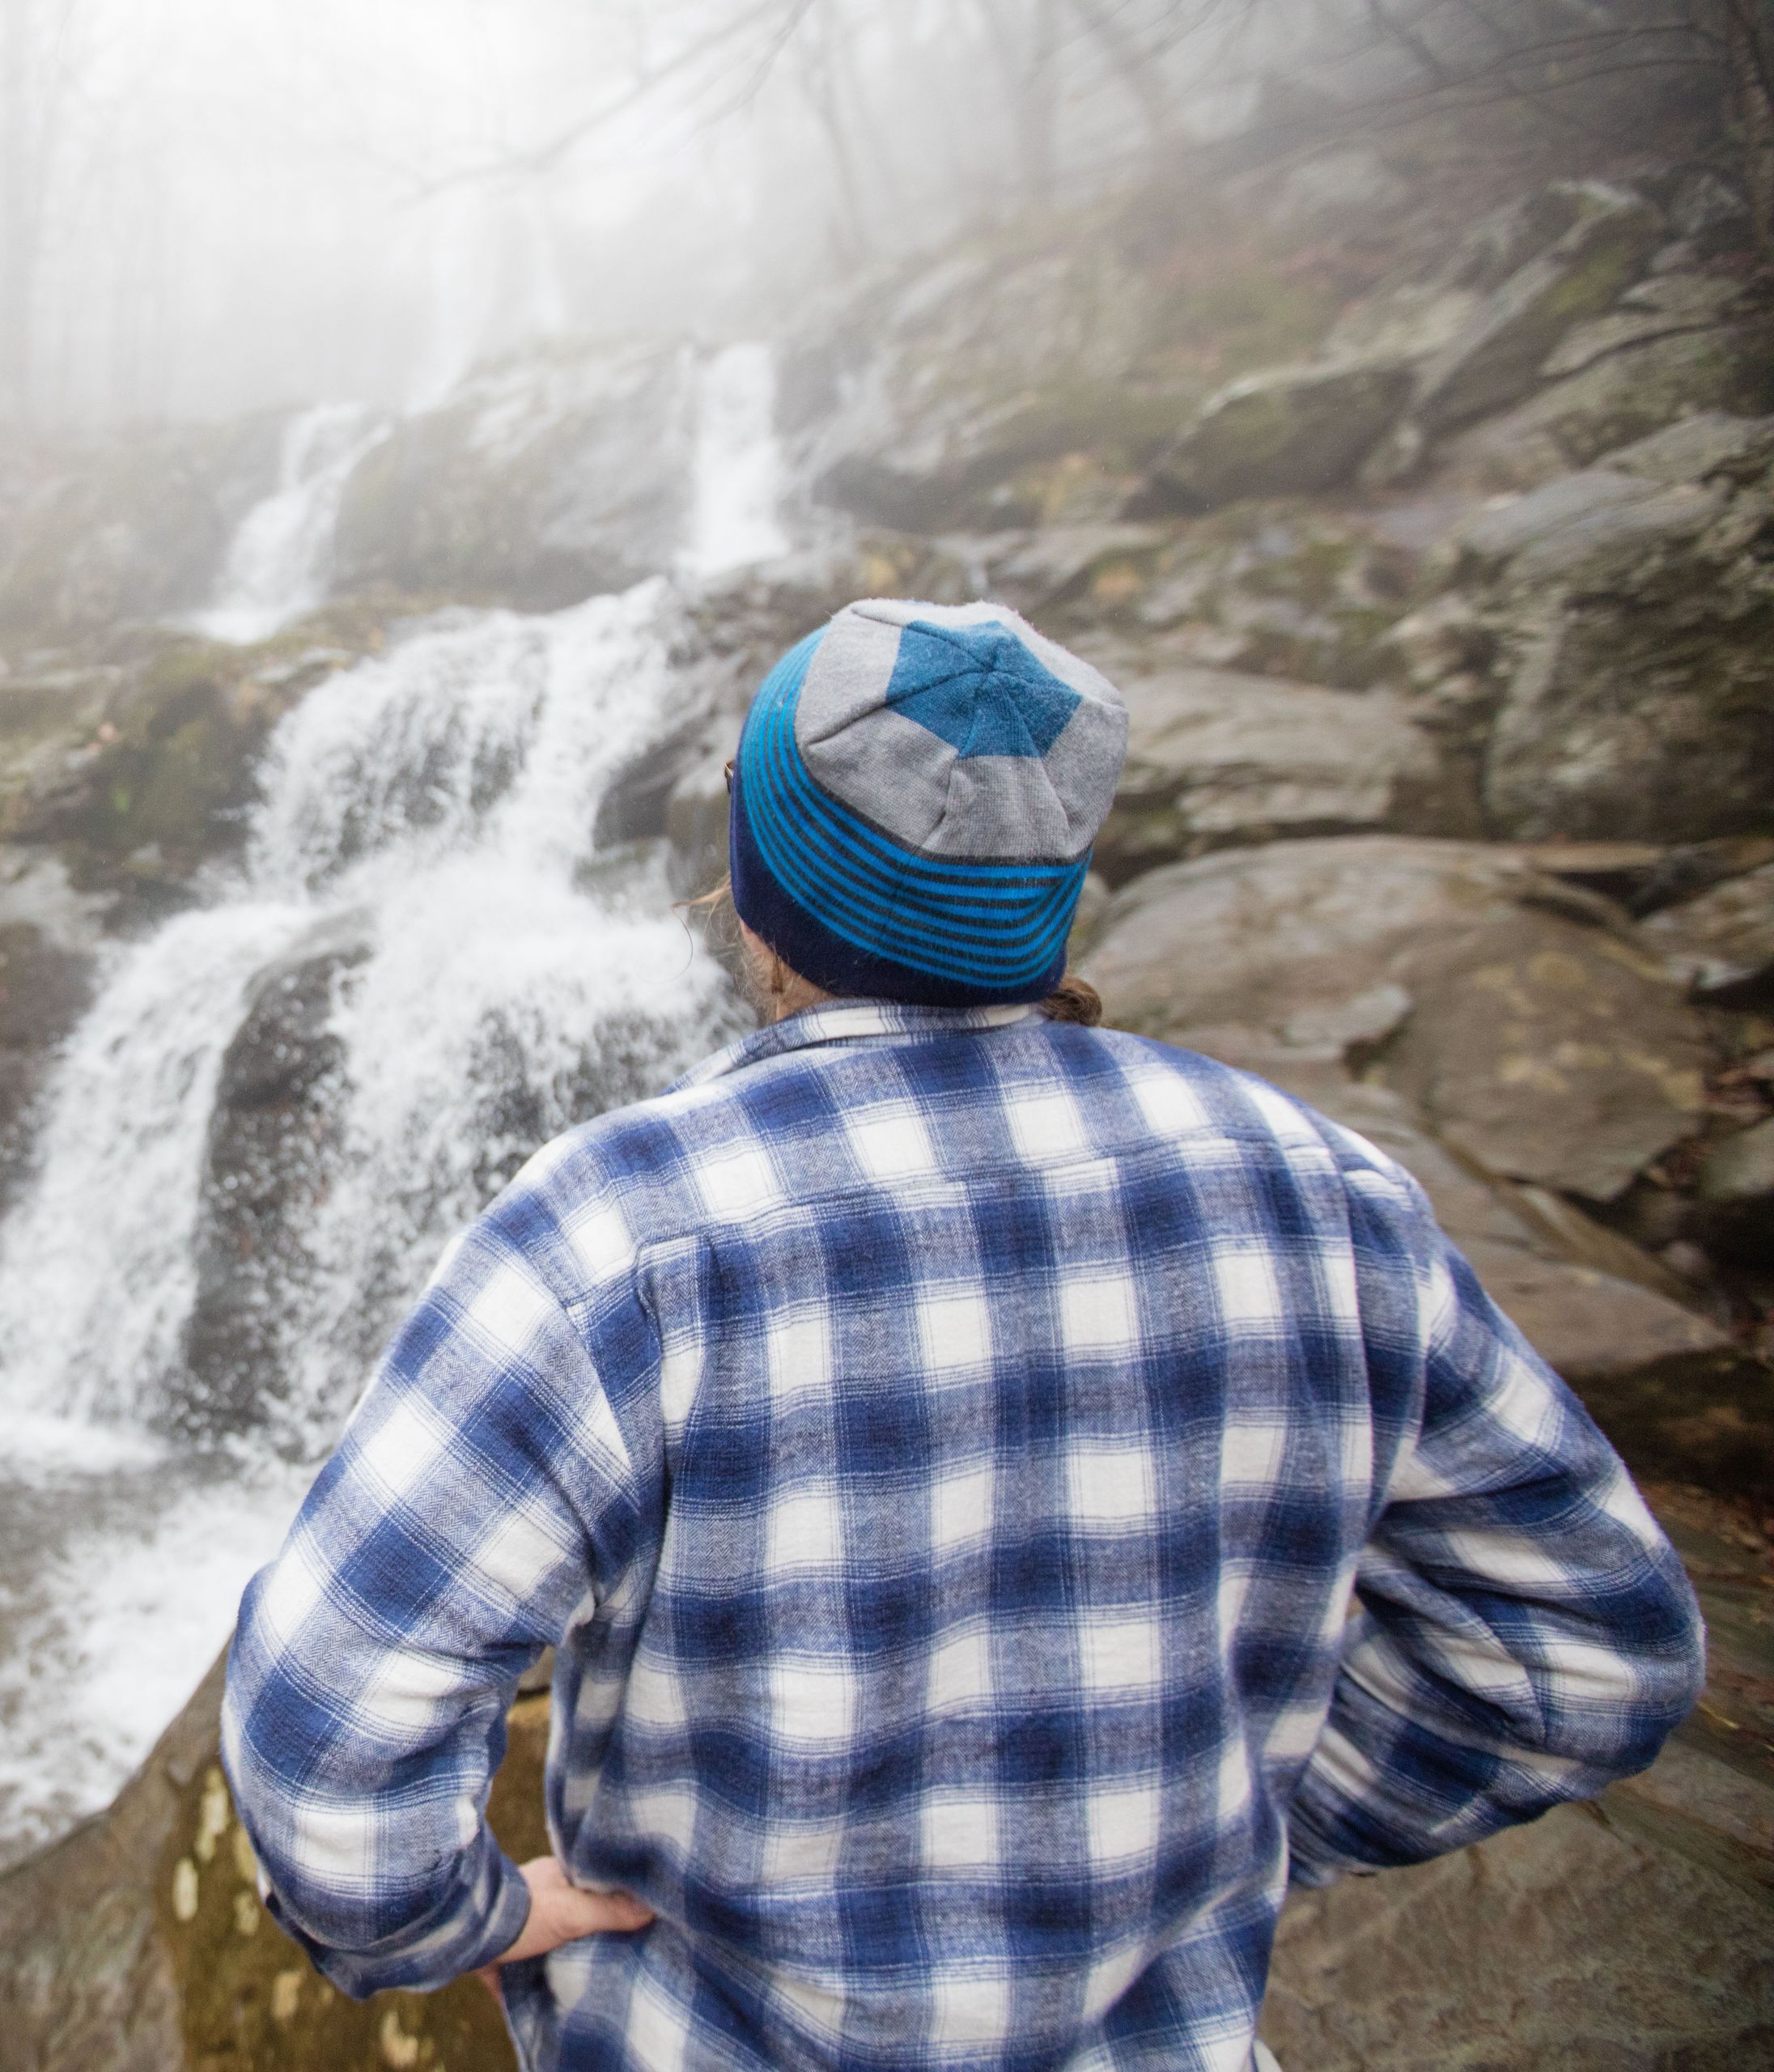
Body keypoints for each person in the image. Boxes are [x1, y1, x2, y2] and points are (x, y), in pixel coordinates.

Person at [218, 598, 1705, 2070]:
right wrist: (1253, 1836)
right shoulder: (1322, 1195)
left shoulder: (620, 1237)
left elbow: (326, 1737)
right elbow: (1592, 1653)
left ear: (757, 878)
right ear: (1054, 881)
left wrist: (451, 1927)